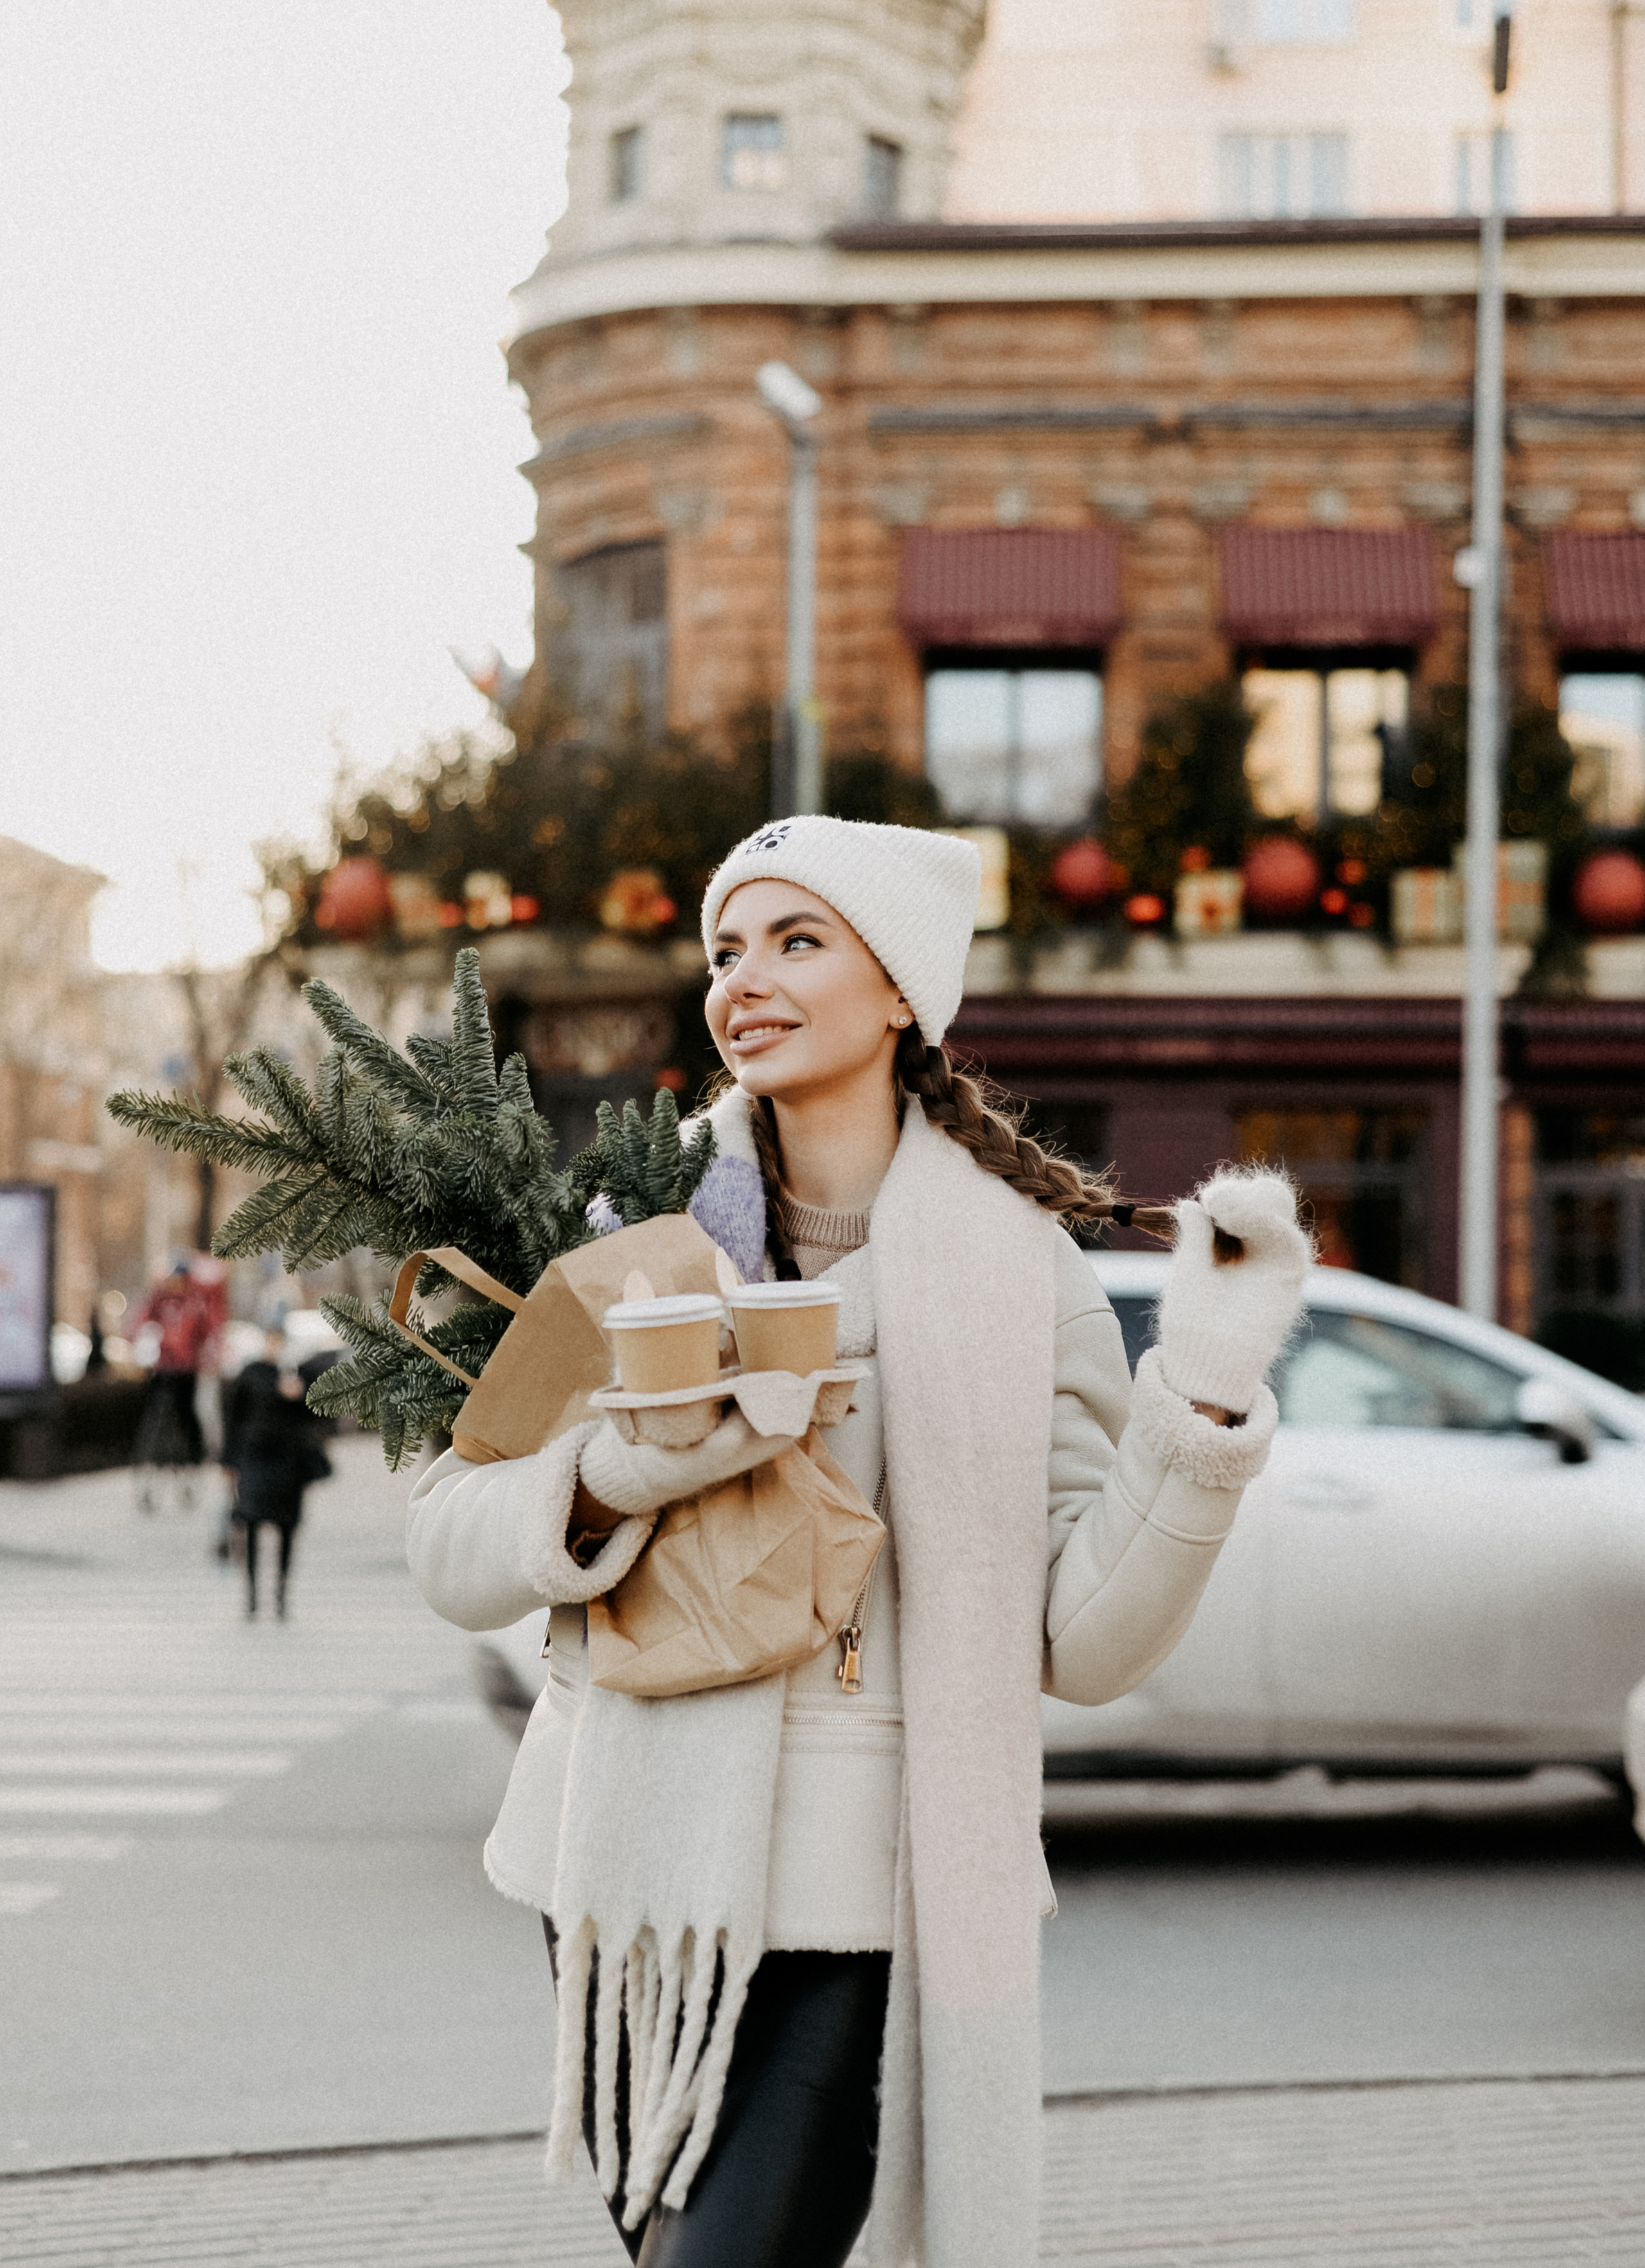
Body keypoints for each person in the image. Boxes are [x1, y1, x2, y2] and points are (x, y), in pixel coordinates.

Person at [405, 817, 1312, 2268]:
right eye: (723, 948)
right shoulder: (633, 1227)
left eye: (794, 939)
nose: (742, 978)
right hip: (624, 1885)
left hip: (861, 1900)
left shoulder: (1023, 1278)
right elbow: (450, 1543)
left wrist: (1194, 1402)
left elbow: (1082, 1641)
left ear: (899, 987)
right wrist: (621, 1463)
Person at [220, 1328, 331, 1618]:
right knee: (252, 1524)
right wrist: (228, 1462)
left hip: (289, 1463)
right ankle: (253, 1595)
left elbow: (318, 1416)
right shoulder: (251, 1375)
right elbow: (235, 1419)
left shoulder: (298, 1374)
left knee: (287, 1528)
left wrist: (299, 1393)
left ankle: (281, 1593)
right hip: (255, 1459)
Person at [128, 1257, 225, 1509]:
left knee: (187, 1422)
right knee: (156, 1424)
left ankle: (191, 1469)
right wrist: (143, 1345)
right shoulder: (159, 1300)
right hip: (162, 1372)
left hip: (186, 1373)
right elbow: (140, 1324)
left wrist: (211, 1355)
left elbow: (209, 1332)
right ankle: (152, 1472)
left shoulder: (195, 1302)